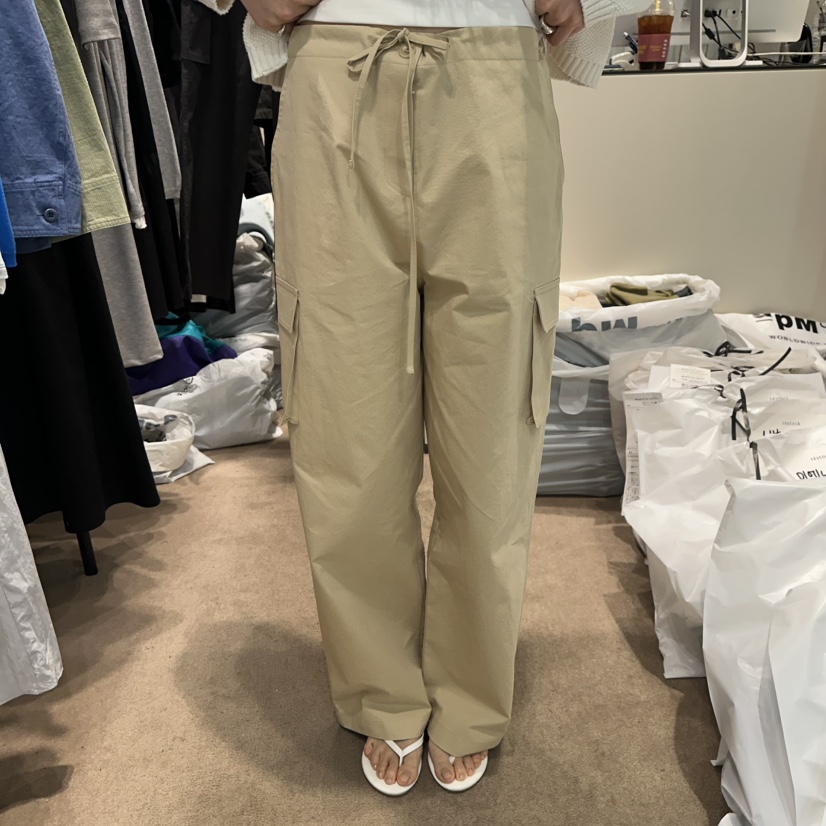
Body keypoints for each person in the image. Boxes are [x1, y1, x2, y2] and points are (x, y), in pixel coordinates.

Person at [197, 0, 652, 796]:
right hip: (336, 60)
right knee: (346, 430)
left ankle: (470, 692)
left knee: (492, 435)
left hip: (495, 62)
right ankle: (382, 688)